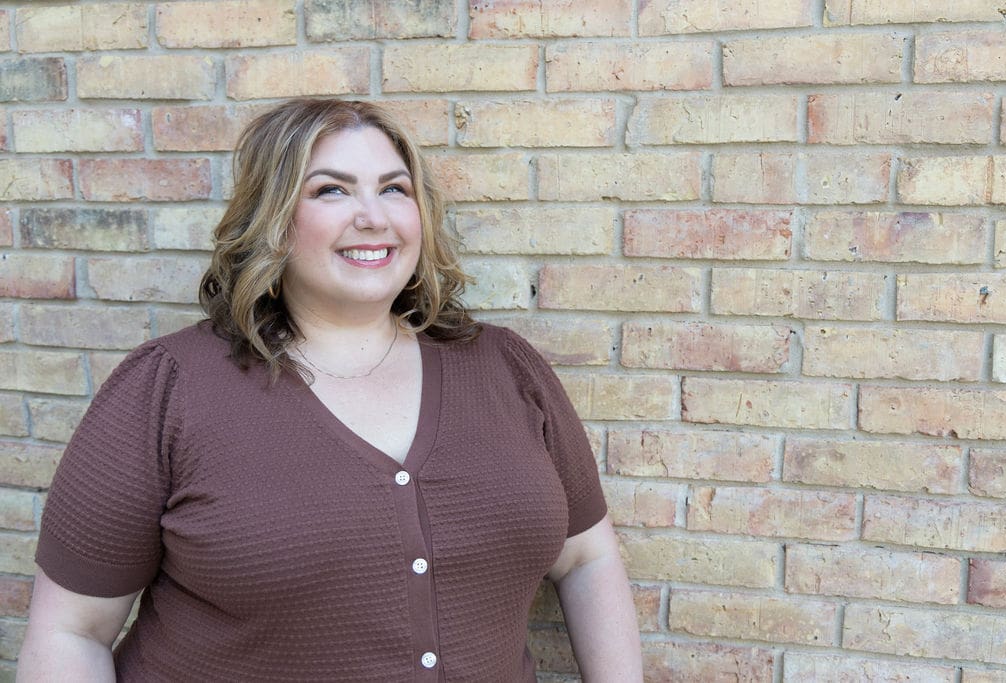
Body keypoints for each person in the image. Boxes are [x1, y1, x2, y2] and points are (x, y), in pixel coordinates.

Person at [17, 99, 642, 681]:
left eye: (394, 189)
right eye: (331, 190)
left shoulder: (505, 368)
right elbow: (72, 632)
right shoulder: (168, 389)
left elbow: (587, 558)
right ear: (272, 220)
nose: (373, 217)